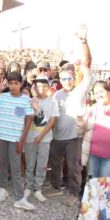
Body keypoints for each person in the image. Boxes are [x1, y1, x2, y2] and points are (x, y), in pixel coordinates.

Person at [48, 26, 92, 206]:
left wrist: (83, 42)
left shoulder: (80, 90)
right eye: (64, 78)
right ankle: (56, 186)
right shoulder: (56, 95)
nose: (67, 81)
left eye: (70, 78)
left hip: (75, 137)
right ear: (60, 80)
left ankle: (74, 192)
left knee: (74, 166)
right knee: (56, 163)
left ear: (75, 78)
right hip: (57, 136)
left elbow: (87, 62)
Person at [0, 71, 35, 210]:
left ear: (21, 84)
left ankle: (19, 198)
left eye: (16, 83)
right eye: (11, 83)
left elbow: (28, 121)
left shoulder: (26, 99)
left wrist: (21, 141)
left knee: (16, 168)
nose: (13, 86)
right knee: (3, 164)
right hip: (2, 136)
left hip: (15, 139)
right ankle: (3, 189)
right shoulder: (3, 97)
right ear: (7, 83)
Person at [23, 76, 59, 202]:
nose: (40, 89)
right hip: (29, 138)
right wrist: (33, 109)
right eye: (38, 86)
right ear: (34, 88)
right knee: (30, 163)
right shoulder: (30, 100)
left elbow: (52, 121)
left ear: (48, 87)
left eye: (44, 86)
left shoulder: (52, 102)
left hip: (44, 139)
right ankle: (28, 186)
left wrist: (40, 136)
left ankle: (38, 188)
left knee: (42, 164)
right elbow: (26, 119)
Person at [78, 81, 110, 178]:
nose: (98, 95)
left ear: (108, 92)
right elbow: (82, 130)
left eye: (101, 92)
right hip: (93, 154)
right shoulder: (93, 108)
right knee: (93, 183)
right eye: (96, 93)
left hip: (108, 156)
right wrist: (80, 121)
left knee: (104, 184)